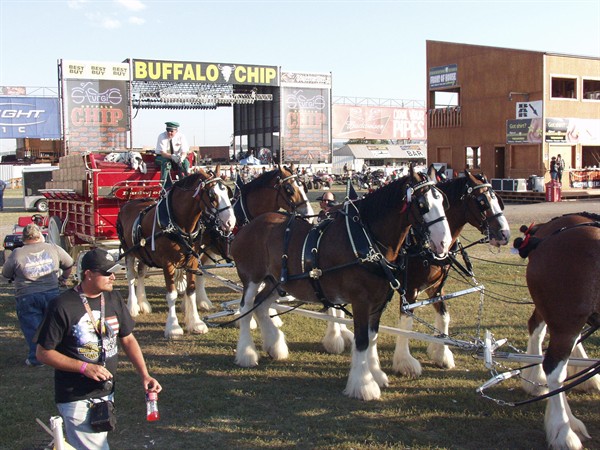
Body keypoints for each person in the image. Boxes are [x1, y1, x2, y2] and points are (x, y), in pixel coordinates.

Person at [35, 248, 162, 450]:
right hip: (76, 396)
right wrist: (84, 367)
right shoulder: (62, 305)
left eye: (114, 271)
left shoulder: (113, 299)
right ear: (88, 274)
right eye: (107, 273)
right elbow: (43, 353)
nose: (113, 277)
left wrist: (145, 375)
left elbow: (128, 339)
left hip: (106, 393)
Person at [2, 223, 74, 366]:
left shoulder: (17, 253)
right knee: (53, 325)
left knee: (32, 328)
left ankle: (37, 358)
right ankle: (57, 354)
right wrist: (64, 278)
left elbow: (6, 273)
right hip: (51, 292)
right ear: (40, 235)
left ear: (23, 238)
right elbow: (69, 263)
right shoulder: (53, 248)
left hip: (26, 295)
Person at [155, 121, 190, 186]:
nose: (169, 133)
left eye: (171, 131)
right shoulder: (161, 136)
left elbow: (184, 151)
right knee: (167, 164)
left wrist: (181, 158)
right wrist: (172, 156)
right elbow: (163, 153)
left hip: (177, 157)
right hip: (161, 157)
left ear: (176, 131)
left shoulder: (181, 136)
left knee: (186, 163)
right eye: (168, 130)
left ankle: (186, 182)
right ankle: (163, 184)